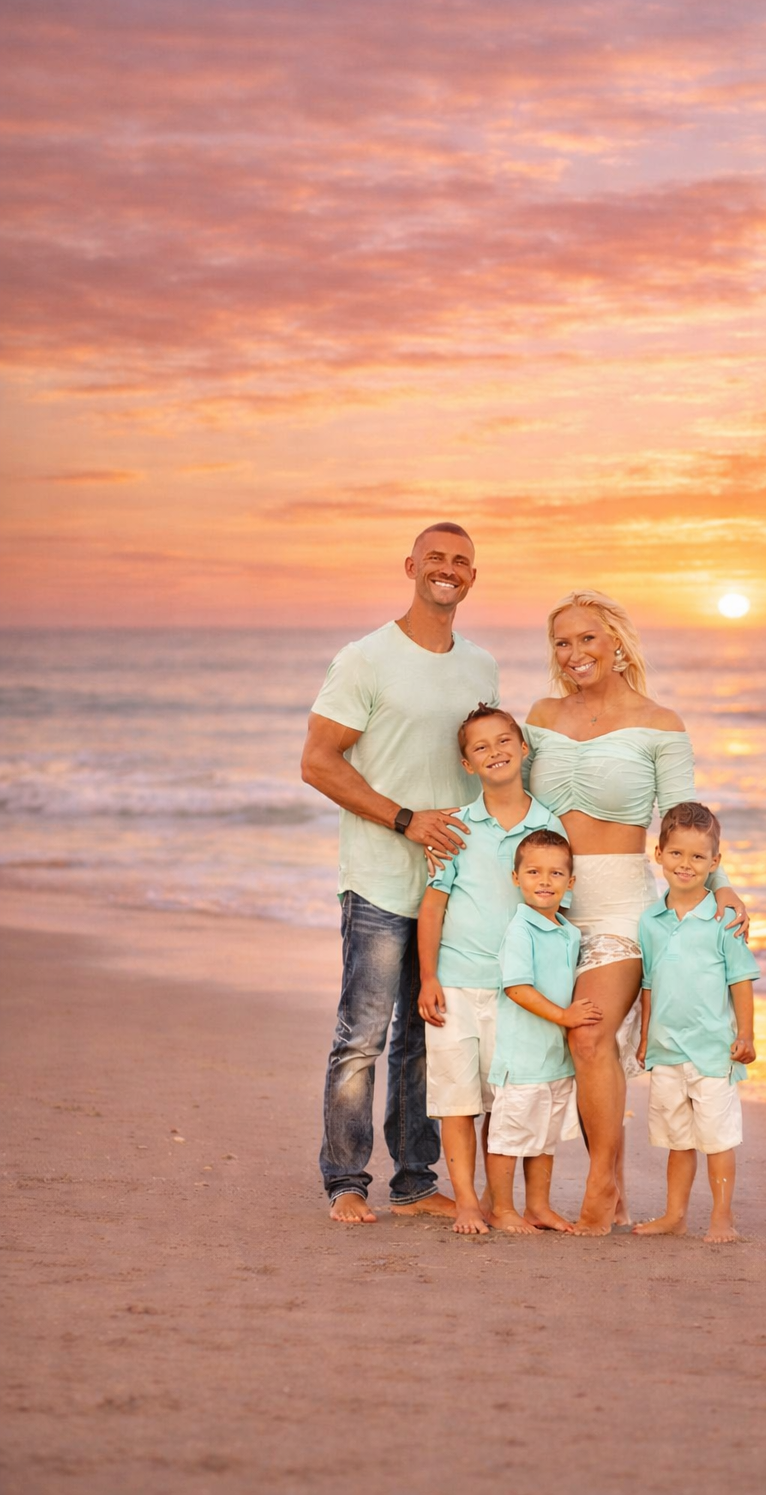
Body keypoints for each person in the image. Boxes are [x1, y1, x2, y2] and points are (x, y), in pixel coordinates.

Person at [525, 590, 750, 1236]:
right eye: (562, 643)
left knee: (589, 1035)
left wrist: (723, 886)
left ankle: (600, 1187)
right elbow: (511, 796)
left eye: (587, 639)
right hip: (550, 907)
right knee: (555, 1049)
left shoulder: (660, 723)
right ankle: (614, 1191)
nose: (574, 654)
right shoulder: (540, 715)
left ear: (616, 643)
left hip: (622, 907)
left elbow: (685, 819)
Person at [301, 523, 499, 1224]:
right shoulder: (366, 658)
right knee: (363, 1035)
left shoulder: (481, 666)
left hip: (454, 886)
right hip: (382, 878)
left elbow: (491, 759)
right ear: (411, 567)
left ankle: (414, 1182)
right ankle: (346, 1180)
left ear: (473, 576)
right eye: (436, 559)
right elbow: (319, 762)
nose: (448, 570)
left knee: (428, 1034)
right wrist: (406, 819)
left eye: (461, 562)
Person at [417, 705, 567, 1235]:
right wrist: (429, 977)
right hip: (457, 984)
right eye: (481, 747)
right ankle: (464, 1201)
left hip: (519, 992)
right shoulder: (456, 827)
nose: (495, 752)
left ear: (524, 749)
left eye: (505, 741)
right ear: (467, 764)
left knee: (513, 1098)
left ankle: (505, 1200)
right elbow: (433, 905)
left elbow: (558, 906)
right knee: (458, 1098)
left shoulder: (549, 825)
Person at [633, 802, 758, 1243]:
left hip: (712, 1051)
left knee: (718, 1140)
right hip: (667, 1049)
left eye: (698, 857)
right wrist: (646, 1035)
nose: (686, 865)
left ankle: (722, 1217)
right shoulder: (650, 920)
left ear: (715, 863)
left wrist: (746, 1033)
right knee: (677, 1139)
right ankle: (675, 1214)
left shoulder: (724, 920)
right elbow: (649, 983)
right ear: (659, 854)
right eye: (677, 854)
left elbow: (741, 980)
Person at [484, 830, 602, 1234]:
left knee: (543, 1140)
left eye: (555, 873)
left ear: (570, 882)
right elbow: (517, 988)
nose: (544, 881)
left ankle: (538, 1206)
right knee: (509, 1138)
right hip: (522, 1059)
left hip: (554, 1060)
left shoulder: (568, 933)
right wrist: (565, 1017)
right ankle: (502, 1208)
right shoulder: (521, 930)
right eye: (533, 872)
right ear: (516, 878)